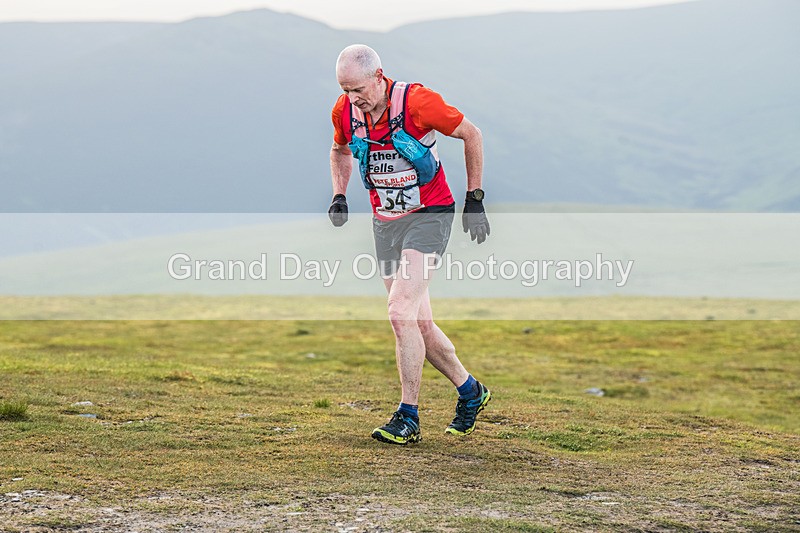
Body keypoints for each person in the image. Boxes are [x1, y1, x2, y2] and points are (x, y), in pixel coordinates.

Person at [327, 44, 491, 445]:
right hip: (386, 224)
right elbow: (339, 149)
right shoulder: (345, 111)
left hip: (428, 217)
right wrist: (339, 194)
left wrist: (475, 199)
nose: (353, 99)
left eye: (359, 89)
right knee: (418, 322)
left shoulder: (418, 102)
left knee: (400, 312)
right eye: (346, 90)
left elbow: (471, 134)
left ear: (379, 77)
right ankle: (471, 391)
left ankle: (408, 416)